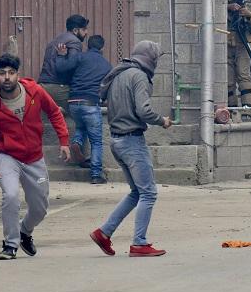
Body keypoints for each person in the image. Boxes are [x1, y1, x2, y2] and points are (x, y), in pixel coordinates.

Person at [0, 54, 70, 260]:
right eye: (2, 74)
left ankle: (25, 232)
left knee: (40, 208)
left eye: (11, 73)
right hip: (8, 156)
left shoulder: (35, 91)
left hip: (35, 157)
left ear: (18, 74)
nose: (7, 77)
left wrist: (64, 141)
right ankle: (10, 244)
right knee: (10, 196)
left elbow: (54, 112)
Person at [89, 40, 173, 258]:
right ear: (151, 59)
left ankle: (104, 232)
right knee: (149, 193)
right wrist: (161, 120)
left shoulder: (120, 73)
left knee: (137, 192)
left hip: (116, 140)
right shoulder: (139, 77)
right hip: (132, 141)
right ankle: (139, 243)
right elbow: (143, 111)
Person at [55, 35, 112, 184]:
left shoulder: (80, 57)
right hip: (91, 103)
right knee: (96, 142)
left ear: (88, 45)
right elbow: (107, 86)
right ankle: (96, 174)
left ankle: (77, 143)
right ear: (102, 48)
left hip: (73, 102)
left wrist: (61, 56)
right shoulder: (107, 65)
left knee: (81, 126)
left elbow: (61, 68)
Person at [38, 14, 90, 165]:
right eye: (84, 29)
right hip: (58, 87)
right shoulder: (74, 42)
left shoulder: (54, 41)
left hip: (43, 86)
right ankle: (79, 150)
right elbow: (69, 66)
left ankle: (57, 109)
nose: (86, 33)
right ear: (75, 30)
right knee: (84, 116)